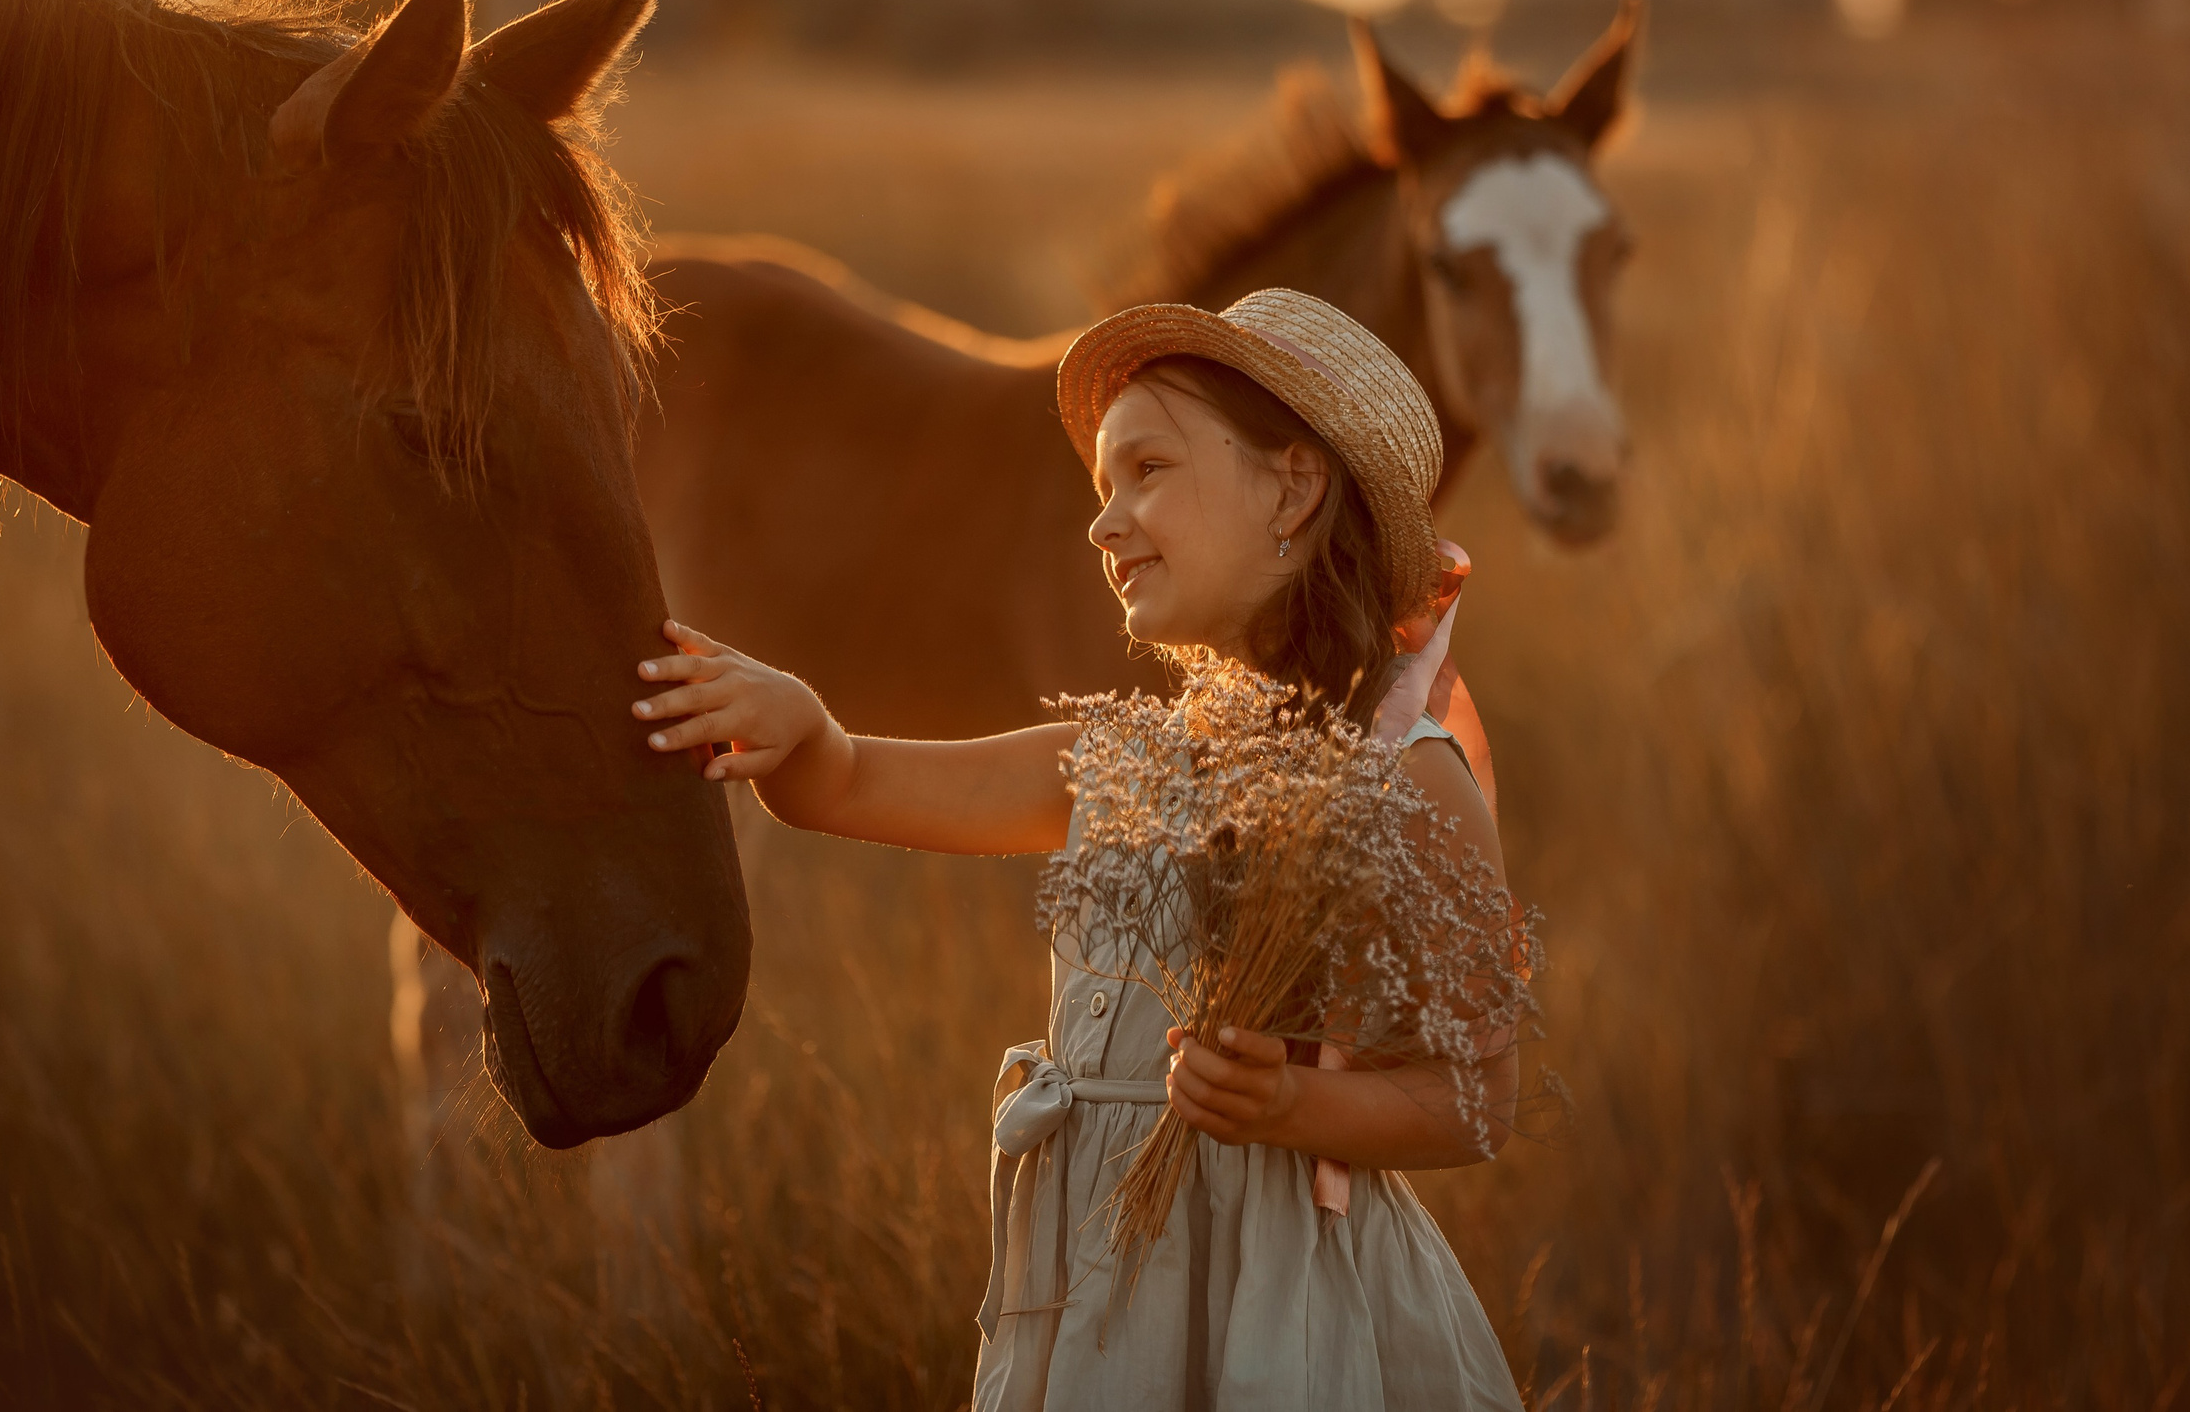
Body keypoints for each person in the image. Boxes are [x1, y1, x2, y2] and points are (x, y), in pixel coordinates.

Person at [634, 289, 1527, 1410]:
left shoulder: (1406, 778)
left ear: (1292, 488)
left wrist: (1291, 1109)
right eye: (1103, 488)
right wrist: (796, 724)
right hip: (1100, 1297)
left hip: (1284, 1309)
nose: (1104, 526)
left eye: (1146, 470)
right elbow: (848, 783)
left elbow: (1479, 1098)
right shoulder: (1117, 760)